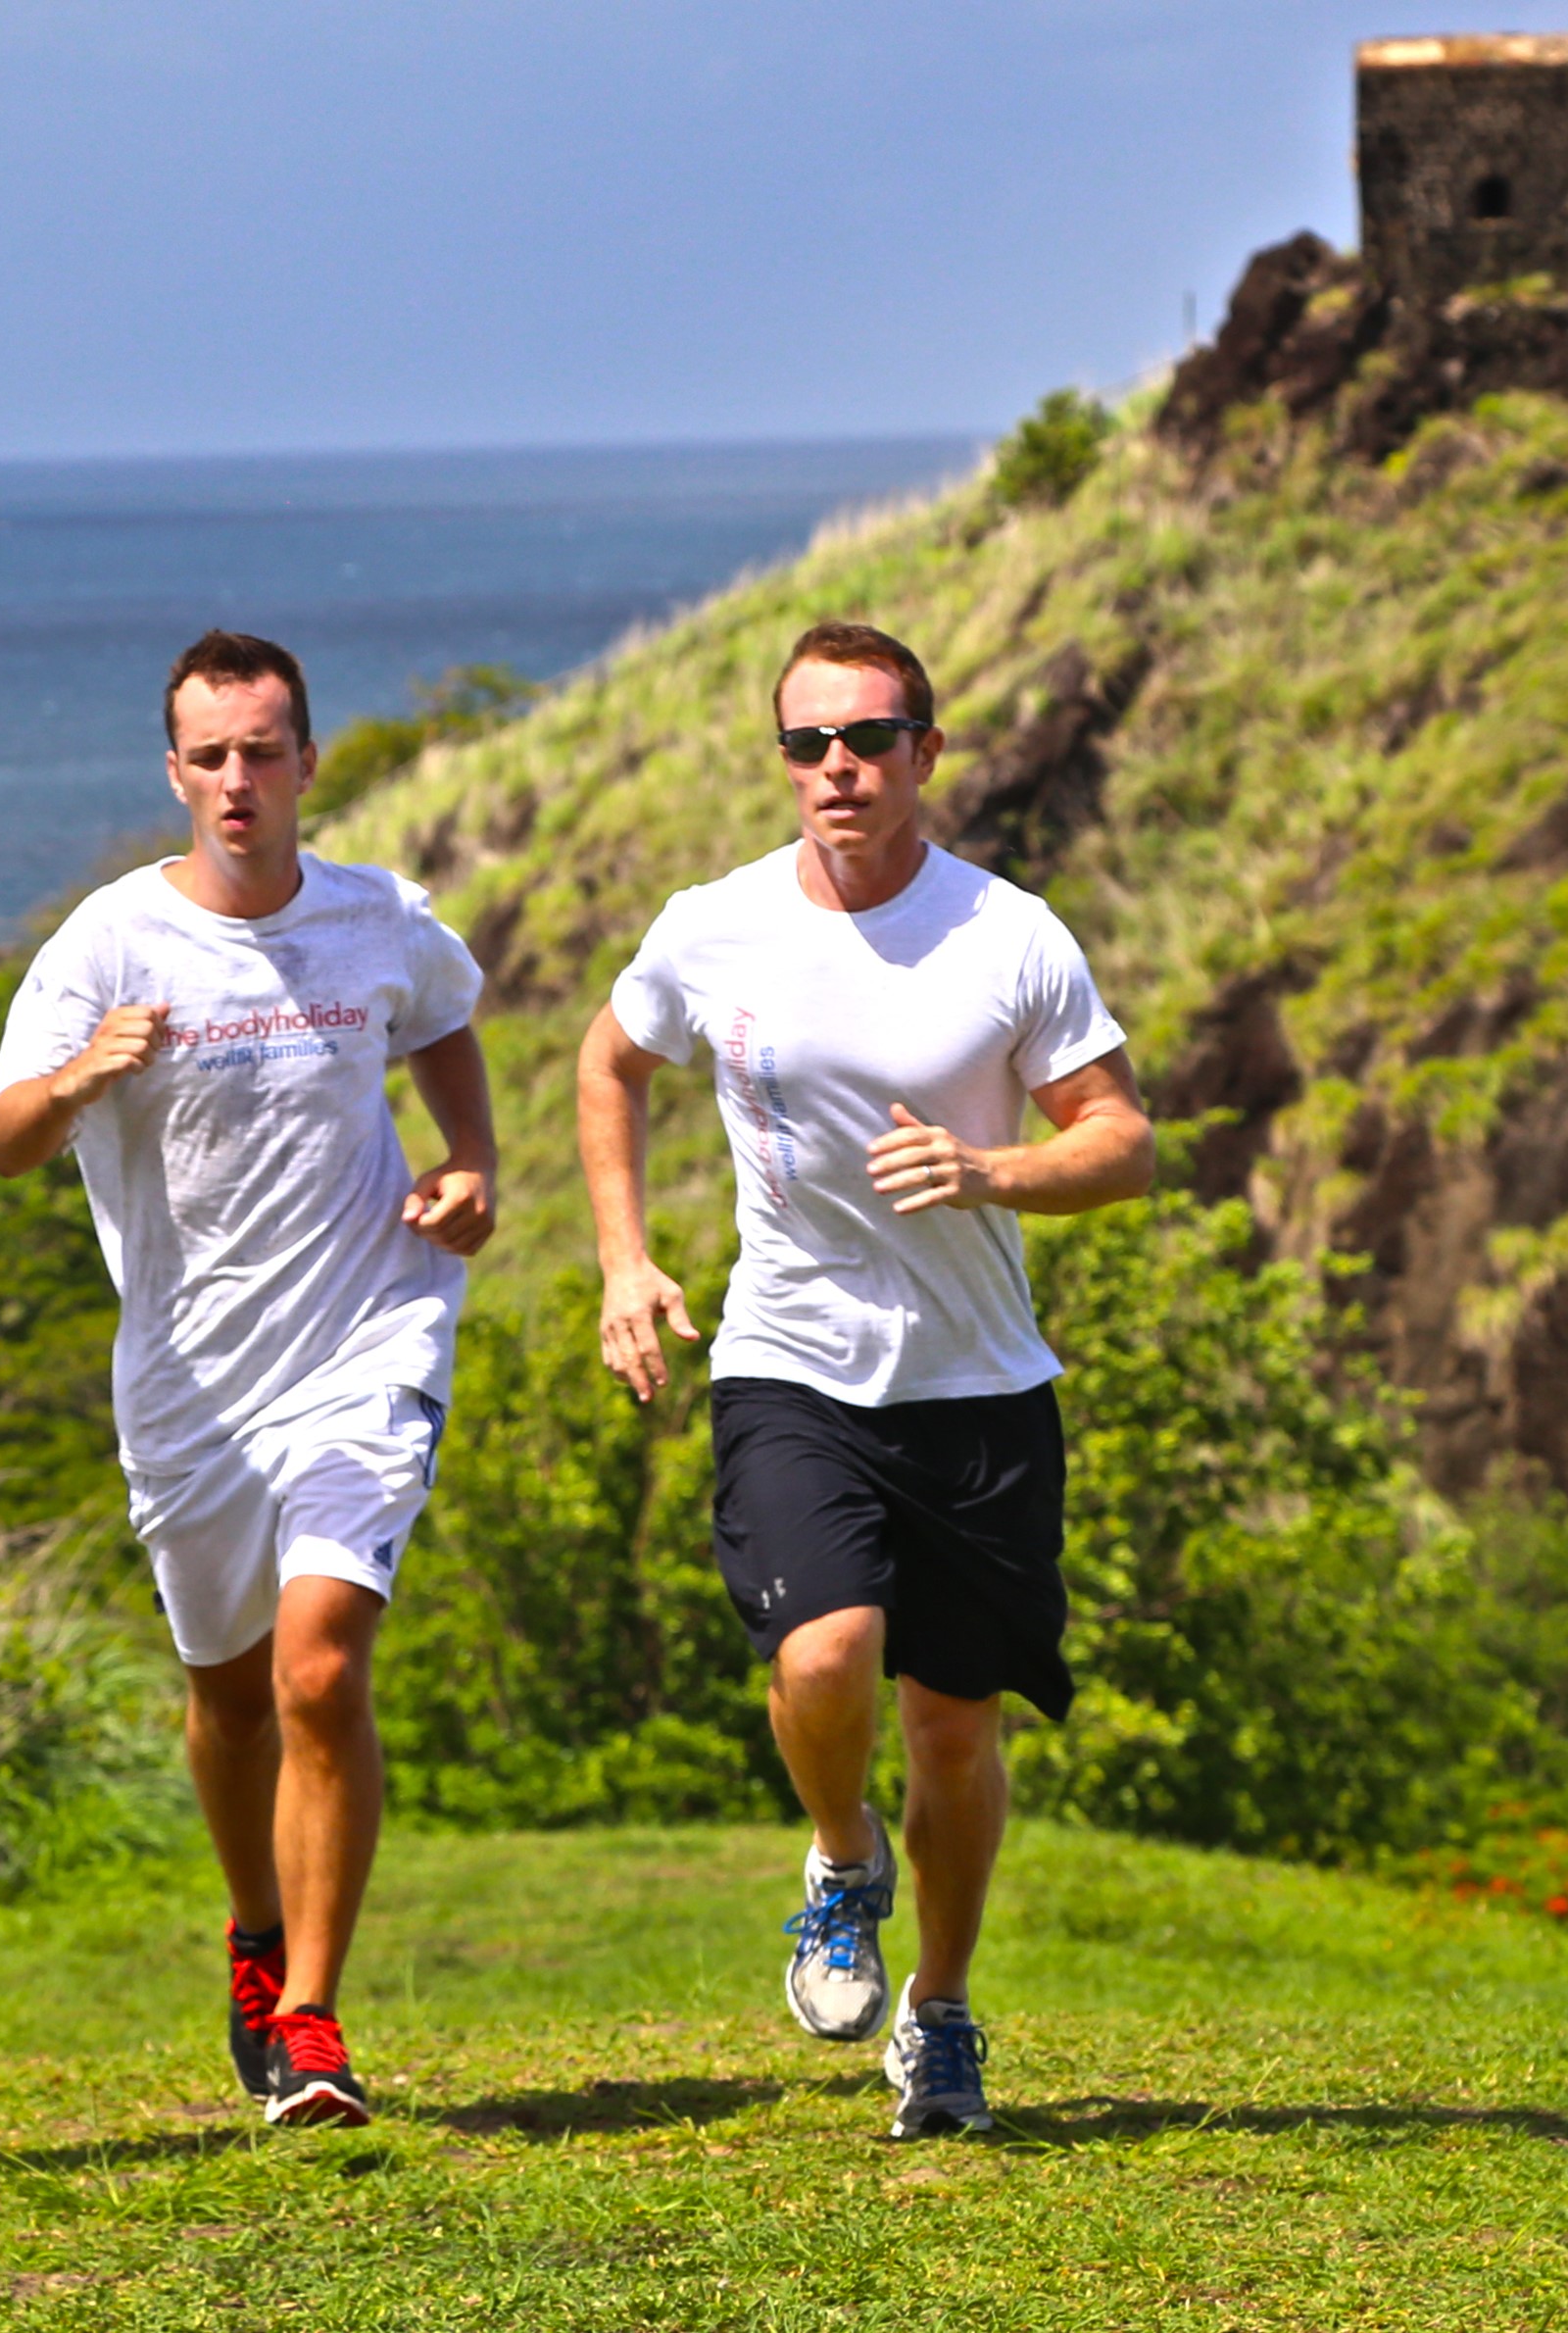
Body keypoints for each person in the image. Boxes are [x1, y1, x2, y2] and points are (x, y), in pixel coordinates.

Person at [575, 619, 1151, 2140]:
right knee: (825, 1656)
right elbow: (608, 1063)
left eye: (870, 739)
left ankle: (943, 2011)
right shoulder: (715, 926)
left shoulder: (1009, 935)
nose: (839, 767)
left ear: (926, 754)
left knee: (957, 1728)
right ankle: (841, 1861)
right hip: (790, 1361)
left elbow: (1122, 1139)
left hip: (977, 1383)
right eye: (808, 743)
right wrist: (626, 1263)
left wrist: (992, 1168)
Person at [0, 629, 496, 2128]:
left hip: (367, 1336)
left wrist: (472, 1167)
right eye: (210, 756)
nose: (238, 780)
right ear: (174, 774)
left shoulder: (377, 918)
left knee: (320, 1662)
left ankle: (317, 2018)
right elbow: (4, 1137)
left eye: (264, 751)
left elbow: (447, 1015)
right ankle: (256, 1932)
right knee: (226, 1696)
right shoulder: (108, 946)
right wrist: (81, 1077)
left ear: (308, 763)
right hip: (193, 1381)